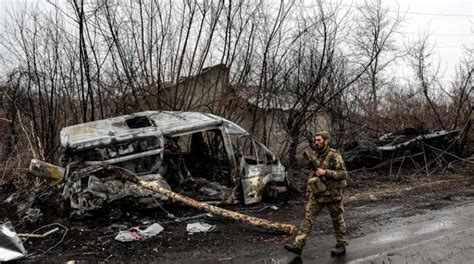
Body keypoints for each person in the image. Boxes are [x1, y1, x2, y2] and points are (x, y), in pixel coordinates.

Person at [284, 131, 348, 257]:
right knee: (308, 218)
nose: (316, 142)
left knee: (337, 220)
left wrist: (326, 172)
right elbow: (313, 175)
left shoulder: (334, 155)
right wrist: (309, 191)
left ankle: (341, 246)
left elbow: (343, 174)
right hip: (318, 194)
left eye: (319, 140)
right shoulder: (315, 156)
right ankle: (298, 245)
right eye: (315, 140)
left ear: (326, 141)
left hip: (332, 194)